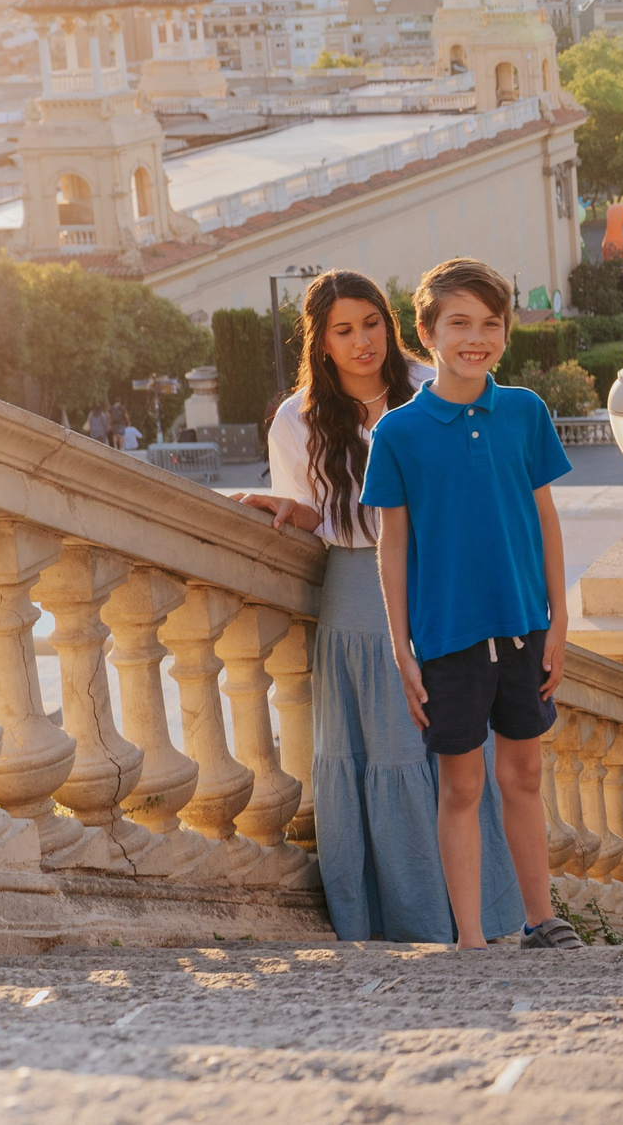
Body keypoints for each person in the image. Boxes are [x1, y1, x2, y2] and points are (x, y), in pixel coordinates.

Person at [236, 270, 520, 944]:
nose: (361, 340)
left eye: (370, 323)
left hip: (444, 589)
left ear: (390, 326)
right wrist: (284, 507)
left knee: (454, 755)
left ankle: (477, 918)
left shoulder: (433, 389)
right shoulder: (295, 418)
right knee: (386, 755)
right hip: (357, 599)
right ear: (322, 341)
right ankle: (408, 924)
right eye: (343, 329)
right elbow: (325, 515)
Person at [360, 256, 586, 953]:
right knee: (460, 786)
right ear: (427, 332)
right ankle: (468, 938)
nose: (477, 337)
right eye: (459, 323)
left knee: (522, 774)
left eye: (491, 323)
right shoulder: (398, 432)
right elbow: (391, 546)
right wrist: (401, 648)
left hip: (524, 627)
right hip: (448, 638)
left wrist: (559, 618)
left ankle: (541, 920)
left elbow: (544, 517)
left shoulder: (524, 412)